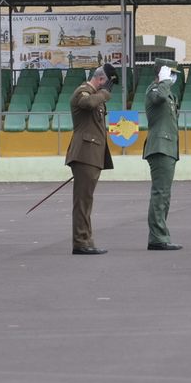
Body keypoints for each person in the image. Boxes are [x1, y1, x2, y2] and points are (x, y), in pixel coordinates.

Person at [65, 62, 116, 254]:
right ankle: (81, 242)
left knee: (86, 200)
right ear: (101, 79)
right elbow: (86, 103)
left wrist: (101, 95)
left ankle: (86, 239)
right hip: (84, 154)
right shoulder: (83, 91)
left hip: (92, 155)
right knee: (83, 201)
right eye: (108, 83)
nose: (108, 88)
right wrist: (103, 94)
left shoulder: (95, 95)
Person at [143, 59, 182, 251]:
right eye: (171, 74)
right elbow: (158, 98)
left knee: (164, 194)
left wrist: (166, 83)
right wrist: (164, 80)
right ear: (163, 73)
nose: (173, 78)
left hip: (168, 148)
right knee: (160, 193)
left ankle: (160, 235)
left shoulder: (167, 92)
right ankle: (157, 237)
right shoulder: (154, 90)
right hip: (159, 147)